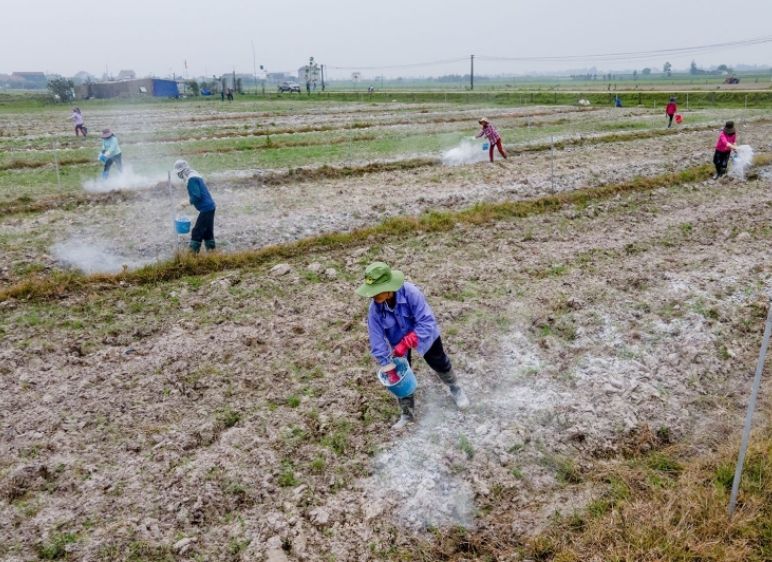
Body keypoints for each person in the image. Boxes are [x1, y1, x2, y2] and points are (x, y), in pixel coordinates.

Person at [357, 262, 470, 430]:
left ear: (388, 288)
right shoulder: (375, 310)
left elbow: (427, 321)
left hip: (423, 333)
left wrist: (409, 340)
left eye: (375, 291)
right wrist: (388, 365)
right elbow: (377, 340)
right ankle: (407, 413)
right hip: (397, 340)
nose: (372, 295)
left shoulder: (410, 293)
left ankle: (455, 388)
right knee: (400, 376)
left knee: (439, 361)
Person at [173, 159, 216, 253]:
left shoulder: (191, 179)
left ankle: (192, 254)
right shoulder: (194, 175)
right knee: (207, 232)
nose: (179, 176)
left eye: (178, 174)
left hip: (206, 208)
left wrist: (184, 204)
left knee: (197, 231)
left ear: (181, 172)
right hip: (210, 206)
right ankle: (212, 253)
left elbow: (196, 196)